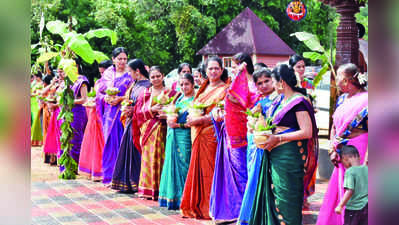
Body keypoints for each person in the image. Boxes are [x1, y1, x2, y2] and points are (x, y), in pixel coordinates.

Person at [249, 64, 318, 225]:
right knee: (275, 196)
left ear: (281, 82)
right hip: (274, 155)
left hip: (289, 157)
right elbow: (269, 124)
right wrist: (256, 126)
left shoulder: (298, 101)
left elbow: (307, 131)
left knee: (287, 200)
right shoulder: (279, 100)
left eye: (272, 80)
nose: (271, 85)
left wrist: (278, 139)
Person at [317, 63, 368, 225]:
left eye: (338, 77)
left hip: (359, 149)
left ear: (346, 81)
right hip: (341, 150)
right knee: (342, 187)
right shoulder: (341, 99)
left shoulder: (368, 100)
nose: (335, 80)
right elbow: (334, 126)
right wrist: (333, 148)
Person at [209, 52, 256, 223]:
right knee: (233, 174)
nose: (233, 68)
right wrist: (219, 114)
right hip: (230, 133)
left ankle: (244, 212)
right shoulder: (235, 85)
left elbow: (250, 110)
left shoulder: (253, 86)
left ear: (244, 65)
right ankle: (233, 211)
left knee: (242, 173)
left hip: (245, 136)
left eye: (235, 65)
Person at [180, 56, 229, 219]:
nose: (213, 71)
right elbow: (195, 107)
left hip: (211, 134)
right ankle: (196, 205)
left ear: (221, 70)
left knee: (210, 170)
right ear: (205, 71)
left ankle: (210, 207)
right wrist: (191, 119)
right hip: (197, 133)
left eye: (216, 68)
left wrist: (200, 120)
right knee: (197, 169)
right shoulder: (203, 88)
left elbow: (221, 114)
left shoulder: (225, 89)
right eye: (210, 68)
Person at [237, 68, 278, 225]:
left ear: (274, 80)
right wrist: (252, 125)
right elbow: (251, 123)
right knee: (254, 178)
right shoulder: (259, 103)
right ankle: (252, 214)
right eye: (259, 83)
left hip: (273, 145)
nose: (263, 85)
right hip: (257, 146)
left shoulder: (280, 100)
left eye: (266, 81)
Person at [134, 66, 176, 200]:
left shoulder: (172, 93)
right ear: (149, 79)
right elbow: (138, 114)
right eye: (153, 77)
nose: (156, 79)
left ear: (163, 76)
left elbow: (178, 110)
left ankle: (162, 190)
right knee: (149, 159)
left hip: (165, 130)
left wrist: (168, 114)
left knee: (164, 158)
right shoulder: (145, 94)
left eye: (158, 76)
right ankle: (147, 189)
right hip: (148, 132)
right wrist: (152, 110)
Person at [111, 59, 151, 192]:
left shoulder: (148, 85)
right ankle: (127, 182)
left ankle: (137, 181)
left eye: (130, 71)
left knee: (136, 152)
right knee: (127, 151)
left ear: (137, 71)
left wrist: (133, 110)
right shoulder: (134, 84)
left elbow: (146, 105)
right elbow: (129, 100)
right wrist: (126, 107)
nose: (129, 74)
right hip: (130, 121)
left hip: (140, 124)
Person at [158, 73, 195, 209]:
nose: (184, 87)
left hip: (184, 136)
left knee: (185, 164)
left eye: (186, 84)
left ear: (192, 85)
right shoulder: (177, 99)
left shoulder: (195, 101)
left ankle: (185, 198)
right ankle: (172, 198)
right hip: (172, 135)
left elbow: (193, 122)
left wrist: (178, 125)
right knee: (171, 164)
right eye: (181, 84)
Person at [98, 47, 133, 184]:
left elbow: (134, 94)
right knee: (109, 144)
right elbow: (99, 92)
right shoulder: (107, 74)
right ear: (113, 59)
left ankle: (121, 178)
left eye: (125, 59)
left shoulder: (130, 74)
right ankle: (109, 176)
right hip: (109, 114)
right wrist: (104, 98)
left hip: (123, 114)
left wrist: (120, 99)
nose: (122, 61)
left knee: (121, 144)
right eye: (120, 59)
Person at [58, 59, 90, 172]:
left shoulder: (81, 80)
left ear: (75, 66)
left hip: (77, 112)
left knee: (75, 139)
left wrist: (70, 102)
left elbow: (84, 99)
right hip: (65, 112)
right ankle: (65, 167)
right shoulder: (66, 81)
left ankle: (74, 167)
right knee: (64, 137)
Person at [334, 145, 368, 225]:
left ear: (345, 159)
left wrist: (340, 205)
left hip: (354, 209)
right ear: (359, 157)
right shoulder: (366, 169)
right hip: (367, 207)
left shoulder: (350, 172)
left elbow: (350, 191)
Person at [31, 71, 44, 146]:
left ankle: (39, 140)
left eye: (35, 77)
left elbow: (40, 93)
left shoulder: (42, 83)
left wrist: (33, 94)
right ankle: (35, 139)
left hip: (37, 103)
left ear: (38, 77)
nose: (34, 78)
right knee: (34, 120)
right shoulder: (35, 84)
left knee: (37, 121)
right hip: (33, 103)